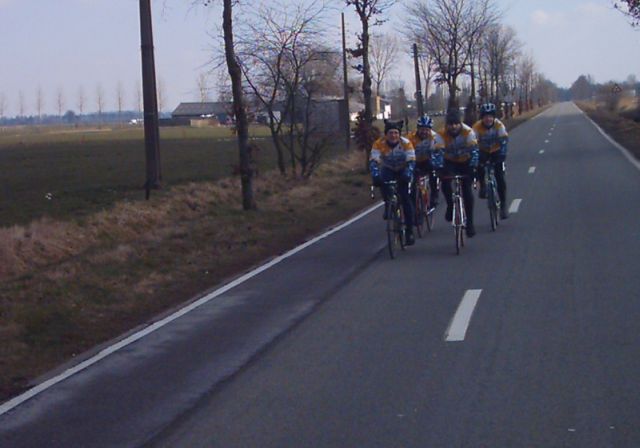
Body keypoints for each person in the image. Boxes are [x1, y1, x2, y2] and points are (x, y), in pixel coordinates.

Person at [431, 109, 479, 237]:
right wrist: (439, 168)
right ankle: (450, 205)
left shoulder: (468, 132)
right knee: (445, 183)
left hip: (465, 161)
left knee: (467, 190)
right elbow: (438, 153)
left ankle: (470, 223)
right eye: (450, 124)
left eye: (456, 124)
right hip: (449, 161)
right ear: (446, 125)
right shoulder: (440, 135)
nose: (453, 127)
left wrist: (473, 166)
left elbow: (474, 151)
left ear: (460, 123)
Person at [370, 119, 417, 245]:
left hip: (403, 168)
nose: (393, 135)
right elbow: (374, 161)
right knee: (383, 182)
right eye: (390, 133)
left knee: (406, 199)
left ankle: (409, 231)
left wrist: (408, 173)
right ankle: (388, 203)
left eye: (396, 133)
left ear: (399, 134)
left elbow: (411, 161)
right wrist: (375, 175)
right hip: (388, 168)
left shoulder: (406, 143)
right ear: (386, 134)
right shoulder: (378, 144)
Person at [473, 103, 509, 219]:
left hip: (496, 151)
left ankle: (503, 205)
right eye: (485, 117)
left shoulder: (499, 126)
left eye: (490, 116)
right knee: (478, 165)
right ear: (482, 118)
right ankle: (483, 186)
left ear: (494, 117)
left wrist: (502, 155)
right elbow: (472, 145)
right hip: (483, 151)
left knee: (500, 177)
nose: (488, 119)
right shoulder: (477, 127)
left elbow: (504, 141)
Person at [408, 114, 439, 208]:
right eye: (422, 129)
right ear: (418, 129)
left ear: (430, 130)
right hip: (414, 162)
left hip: (427, 160)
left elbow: (437, 152)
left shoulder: (434, 137)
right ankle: (414, 206)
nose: (424, 132)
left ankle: (434, 195)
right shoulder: (410, 137)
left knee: (434, 172)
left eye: (427, 129)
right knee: (411, 183)